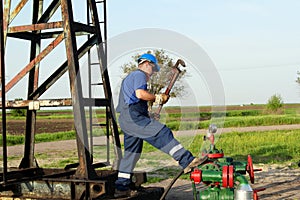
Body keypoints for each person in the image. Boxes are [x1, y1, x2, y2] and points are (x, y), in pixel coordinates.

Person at [114, 53, 206, 198]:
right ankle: (186, 160)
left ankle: (121, 187)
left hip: (128, 119)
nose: (153, 73)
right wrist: (157, 98)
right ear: (146, 64)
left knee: (132, 154)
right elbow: (140, 94)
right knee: (162, 132)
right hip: (133, 118)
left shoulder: (131, 77)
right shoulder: (139, 75)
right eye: (153, 68)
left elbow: (133, 101)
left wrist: (148, 115)